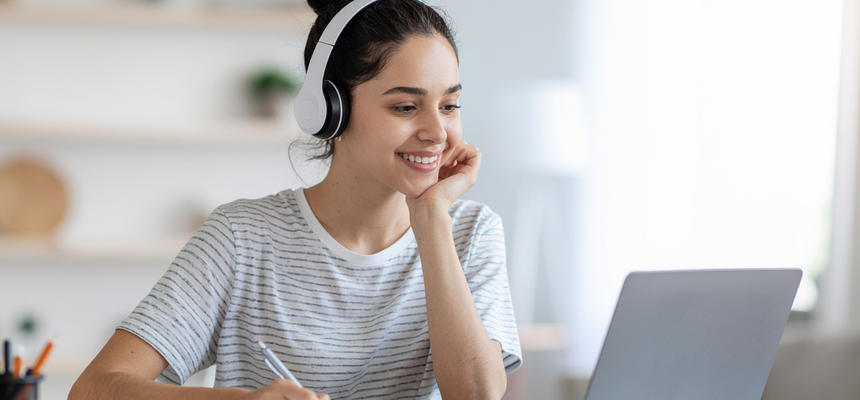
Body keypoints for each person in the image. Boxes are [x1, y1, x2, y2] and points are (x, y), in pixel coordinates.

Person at [69, 0, 522, 399]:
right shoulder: (241, 238)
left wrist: (431, 221)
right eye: (405, 107)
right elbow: (94, 388)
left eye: (449, 105)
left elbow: (478, 395)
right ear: (329, 109)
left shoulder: (469, 230)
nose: (437, 133)